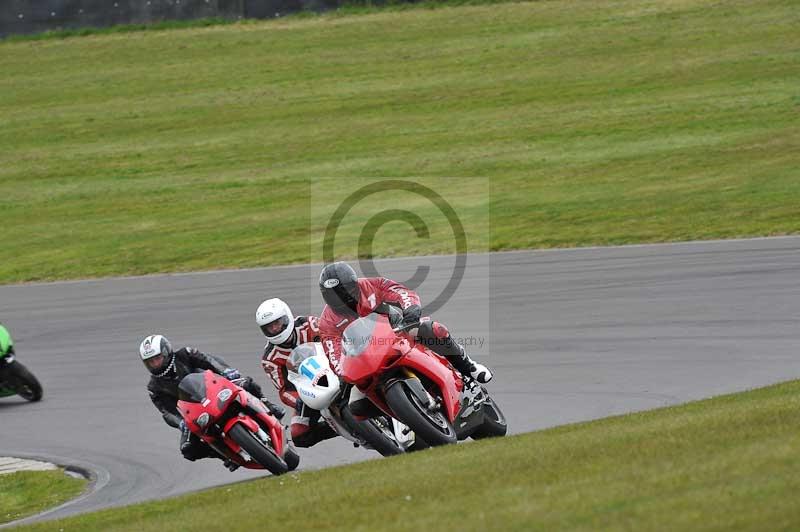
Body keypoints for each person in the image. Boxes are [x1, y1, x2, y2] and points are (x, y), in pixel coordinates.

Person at [318, 262, 493, 383]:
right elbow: (334, 356)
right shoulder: (327, 323)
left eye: (344, 291)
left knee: (432, 329)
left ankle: (469, 367)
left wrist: (411, 308)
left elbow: (400, 292)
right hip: (365, 359)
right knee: (355, 404)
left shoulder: (371, 285)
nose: (341, 298)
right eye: (333, 294)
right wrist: (344, 373)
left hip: (397, 332)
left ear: (354, 285)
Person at [140, 334, 285, 469]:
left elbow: (209, 360)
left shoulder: (184, 354)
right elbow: (166, 412)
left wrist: (226, 371)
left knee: (246, 383)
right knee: (188, 449)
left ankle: (268, 405)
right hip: (195, 412)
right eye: (150, 362)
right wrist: (180, 423)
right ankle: (225, 456)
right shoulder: (154, 387)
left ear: (166, 352)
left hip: (215, 388)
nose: (155, 364)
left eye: (157, 358)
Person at [257, 298, 337, 448]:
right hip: (309, 392)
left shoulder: (309, 324)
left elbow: (333, 339)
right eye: (269, 327)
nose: (275, 329)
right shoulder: (270, 359)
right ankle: (341, 428)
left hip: (334, 369)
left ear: (287, 317)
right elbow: (284, 390)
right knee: (299, 435)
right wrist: (299, 400)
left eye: (277, 323)